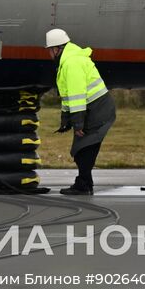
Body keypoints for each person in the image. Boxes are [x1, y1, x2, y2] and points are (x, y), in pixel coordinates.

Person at [46, 28, 115, 195]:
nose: (48, 54)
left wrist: (77, 123)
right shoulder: (67, 61)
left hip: (98, 109)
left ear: (57, 49)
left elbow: (77, 96)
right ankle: (85, 182)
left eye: (49, 50)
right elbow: (67, 94)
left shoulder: (71, 63)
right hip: (92, 108)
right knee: (82, 148)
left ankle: (84, 184)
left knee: (84, 148)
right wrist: (65, 118)